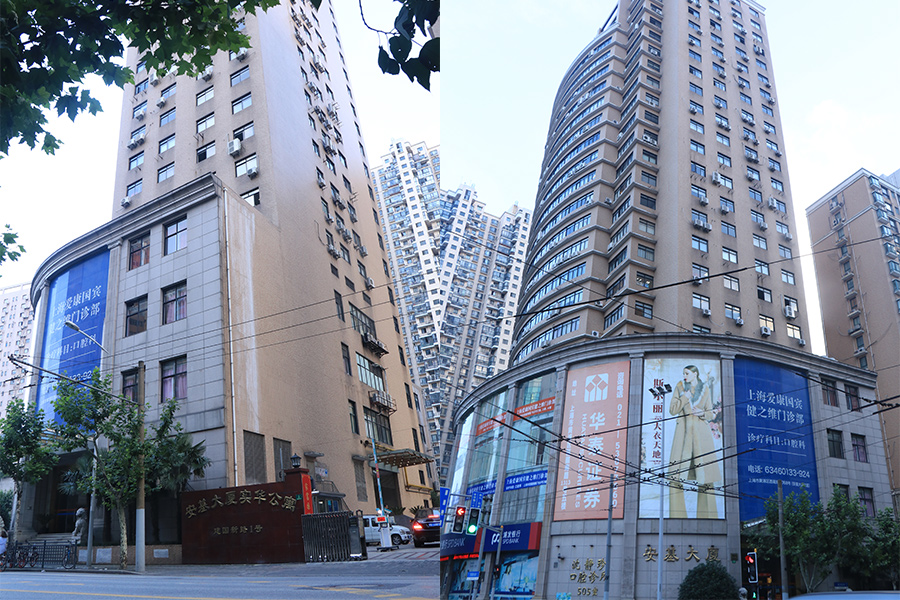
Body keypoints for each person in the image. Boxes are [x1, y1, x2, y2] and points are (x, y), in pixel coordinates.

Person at [667, 365, 723, 518]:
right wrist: (685, 397)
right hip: (683, 435)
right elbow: (672, 410)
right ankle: (676, 517)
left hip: (701, 436)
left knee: (706, 478)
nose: (684, 375)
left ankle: (709, 518)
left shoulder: (705, 388)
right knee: (675, 476)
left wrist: (702, 412)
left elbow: (711, 414)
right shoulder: (680, 387)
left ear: (695, 374)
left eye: (687, 373)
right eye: (683, 373)